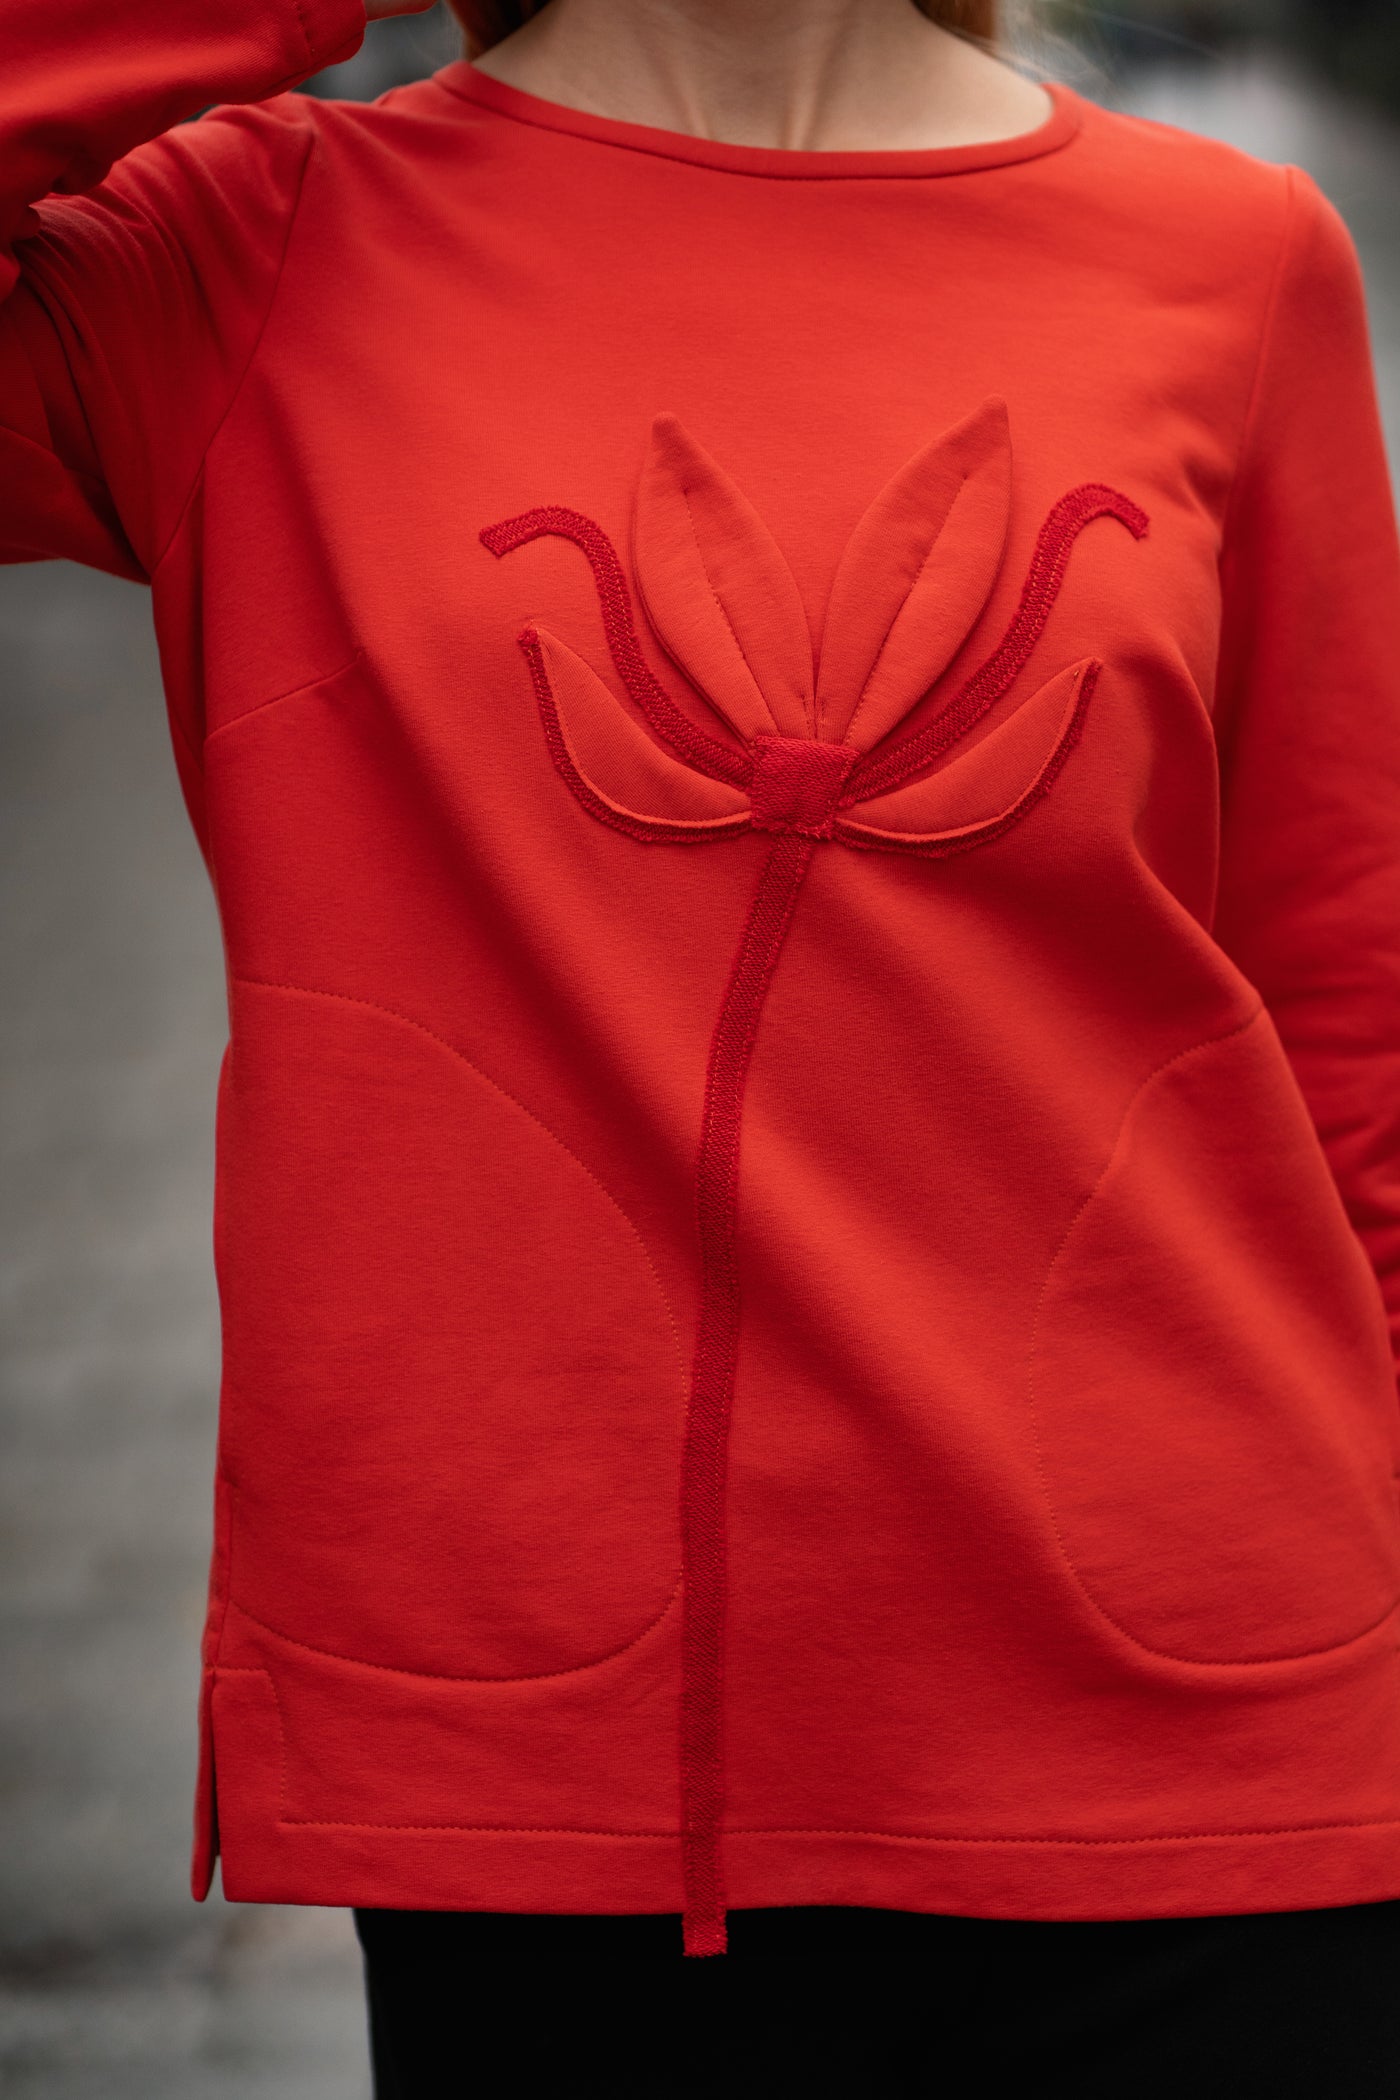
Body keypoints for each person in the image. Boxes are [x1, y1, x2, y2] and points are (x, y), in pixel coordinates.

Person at [5, 0, 1400, 2087]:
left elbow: (1349, 1042)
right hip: (559, 1788)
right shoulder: (253, 252)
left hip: (1214, 1752)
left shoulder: (1239, 258)